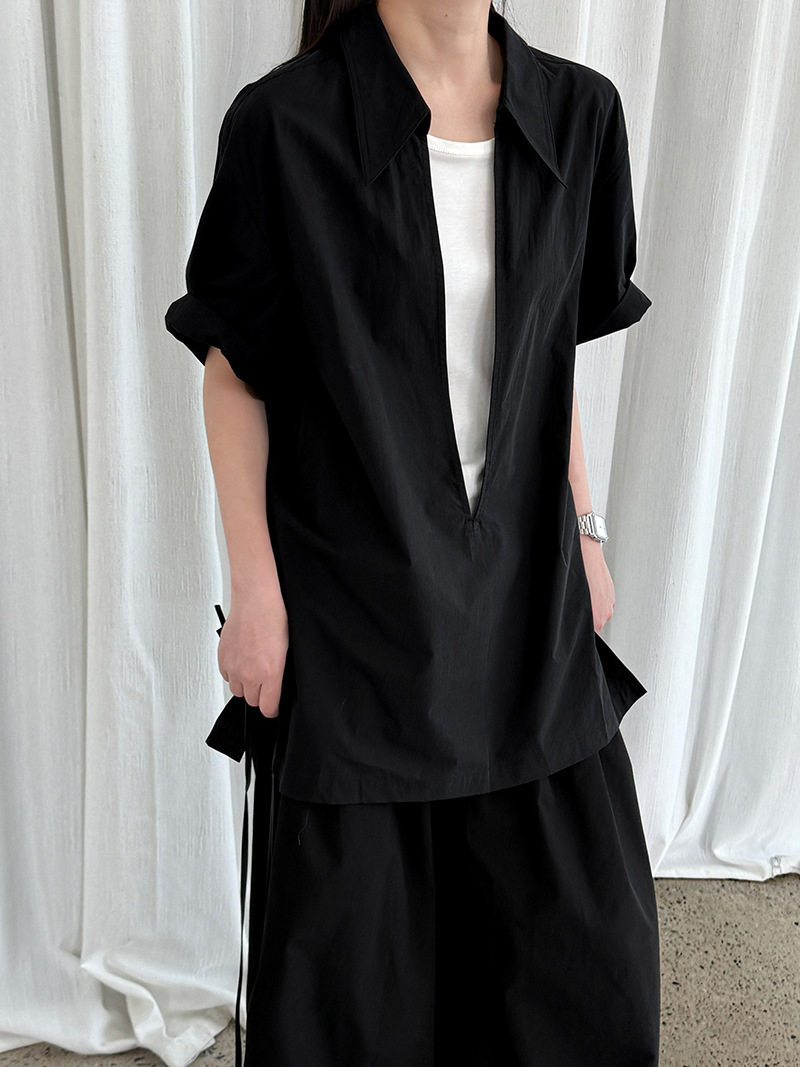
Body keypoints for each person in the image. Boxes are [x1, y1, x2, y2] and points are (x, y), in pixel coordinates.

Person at [165, 0, 661, 1063]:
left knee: (588, 985)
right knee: (357, 1011)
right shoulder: (284, 125)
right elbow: (235, 369)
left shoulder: (578, 116)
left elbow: (546, 357)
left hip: (528, 609)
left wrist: (586, 531)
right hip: (356, 624)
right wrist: (255, 593)